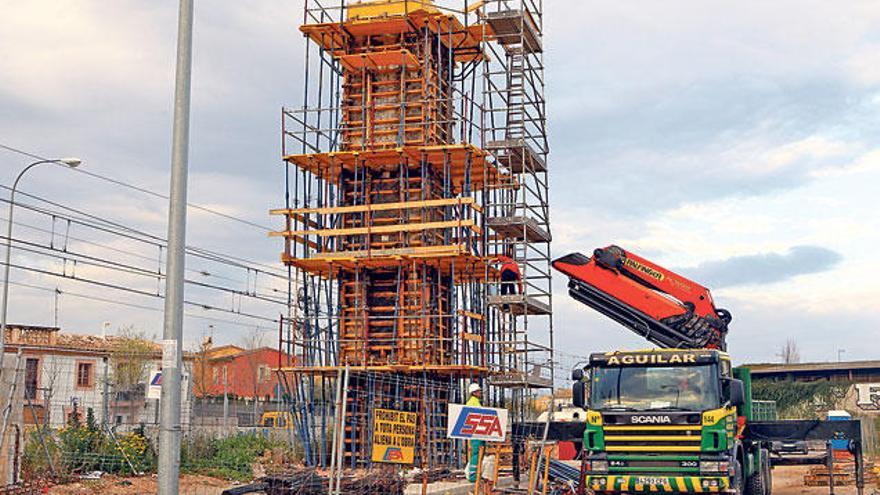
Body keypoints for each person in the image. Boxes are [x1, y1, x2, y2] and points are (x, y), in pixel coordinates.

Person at [465, 382, 484, 483]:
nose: (480, 392)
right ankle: (473, 476)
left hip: (478, 431)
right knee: (476, 453)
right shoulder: (473, 402)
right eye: (478, 391)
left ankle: (476, 473)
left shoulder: (474, 401)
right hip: (476, 431)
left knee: (479, 453)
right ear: (474, 392)